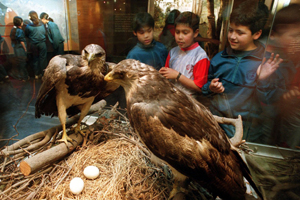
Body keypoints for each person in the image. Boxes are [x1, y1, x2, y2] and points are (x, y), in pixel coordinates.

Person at [201, 1, 288, 143]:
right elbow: (206, 90)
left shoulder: (266, 62)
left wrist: (263, 79)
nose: (232, 36)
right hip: (218, 124)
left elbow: (270, 102)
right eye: (231, 30)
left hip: (248, 130)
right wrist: (210, 87)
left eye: (240, 32)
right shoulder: (219, 59)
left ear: (257, 34)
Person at [267, 4, 300, 149]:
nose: (298, 41)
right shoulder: (267, 55)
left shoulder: (293, 57)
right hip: (269, 117)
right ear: (274, 35)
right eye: (294, 36)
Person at [159, 11, 210, 102]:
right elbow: (166, 76)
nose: (180, 37)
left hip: (189, 103)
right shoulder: (172, 52)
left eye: (185, 33)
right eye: (177, 32)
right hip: (171, 99)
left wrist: (178, 76)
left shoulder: (200, 56)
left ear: (195, 33)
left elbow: (199, 88)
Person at [25, 11, 47, 79]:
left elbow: (27, 35)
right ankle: (44, 74)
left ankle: (37, 74)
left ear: (30, 17)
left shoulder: (28, 26)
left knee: (35, 59)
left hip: (33, 44)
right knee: (43, 59)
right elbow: (45, 33)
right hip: (42, 44)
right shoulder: (42, 24)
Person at [9, 16, 29, 81]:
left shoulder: (13, 30)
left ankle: (20, 76)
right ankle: (24, 77)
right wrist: (25, 49)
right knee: (22, 63)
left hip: (15, 48)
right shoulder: (20, 31)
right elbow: (22, 41)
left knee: (19, 63)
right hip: (20, 49)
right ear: (20, 23)